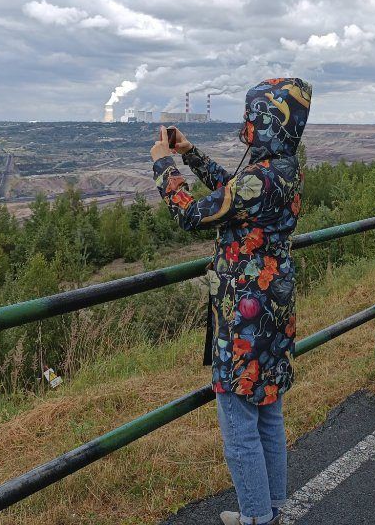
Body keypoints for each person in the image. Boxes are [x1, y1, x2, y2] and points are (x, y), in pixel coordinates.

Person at [151, 77, 311, 525]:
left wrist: (165, 165)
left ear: (264, 121)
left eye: (251, 115)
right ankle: (272, 508)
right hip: (274, 309)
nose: (246, 124)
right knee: (268, 414)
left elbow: (192, 212)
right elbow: (232, 194)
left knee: (240, 425)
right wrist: (190, 153)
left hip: (245, 315)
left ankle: (256, 517)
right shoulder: (283, 168)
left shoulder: (262, 177)